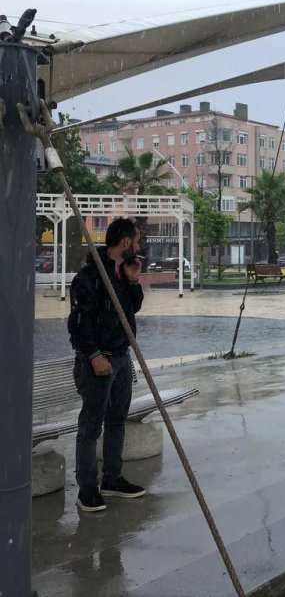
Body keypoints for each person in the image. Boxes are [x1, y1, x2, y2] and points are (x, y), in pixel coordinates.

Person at [67, 217, 148, 513]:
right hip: (97, 362)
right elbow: (78, 324)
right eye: (136, 241)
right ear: (125, 242)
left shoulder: (123, 273)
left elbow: (133, 307)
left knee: (117, 420)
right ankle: (87, 488)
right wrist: (94, 356)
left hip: (121, 356)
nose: (138, 246)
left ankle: (111, 479)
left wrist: (133, 280)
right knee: (91, 425)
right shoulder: (90, 277)